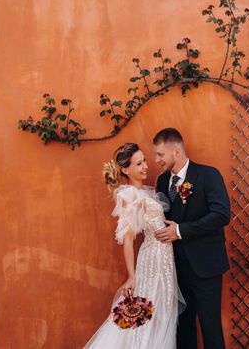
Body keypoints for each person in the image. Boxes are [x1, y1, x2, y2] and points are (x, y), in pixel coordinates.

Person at [84, 143, 184, 349]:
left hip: (165, 258)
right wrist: (132, 276)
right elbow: (128, 238)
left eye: (144, 160)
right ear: (126, 170)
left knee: (163, 311)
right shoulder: (128, 195)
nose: (146, 166)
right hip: (152, 260)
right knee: (148, 315)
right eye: (139, 163)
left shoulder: (147, 191)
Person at [153, 128, 231, 349]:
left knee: (210, 326)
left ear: (176, 151)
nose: (157, 160)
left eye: (160, 155)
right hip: (176, 267)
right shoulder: (161, 182)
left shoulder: (208, 175)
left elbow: (221, 215)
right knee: (182, 325)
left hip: (206, 266)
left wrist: (180, 231)